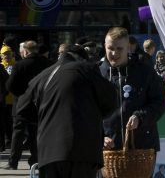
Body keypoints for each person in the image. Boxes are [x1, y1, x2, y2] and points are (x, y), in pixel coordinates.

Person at [18, 44, 117, 178]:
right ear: (82, 58)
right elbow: (112, 99)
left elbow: (22, 109)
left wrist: (45, 118)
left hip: (49, 153)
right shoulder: (86, 70)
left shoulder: (43, 76)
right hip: (83, 152)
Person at [100, 27, 165, 154]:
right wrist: (99, 136)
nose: (114, 53)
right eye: (110, 48)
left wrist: (140, 117)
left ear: (128, 48)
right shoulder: (97, 75)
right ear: (105, 46)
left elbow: (160, 101)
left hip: (142, 148)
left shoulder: (145, 72)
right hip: (108, 151)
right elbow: (89, 112)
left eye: (119, 49)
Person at [5, 39, 51, 169]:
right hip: (41, 103)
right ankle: (35, 161)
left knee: (18, 133)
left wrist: (22, 94)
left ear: (25, 51)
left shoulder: (19, 65)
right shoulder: (48, 64)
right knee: (36, 133)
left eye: (20, 52)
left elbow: (10, 85)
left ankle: (13, 162)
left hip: (22, 104)